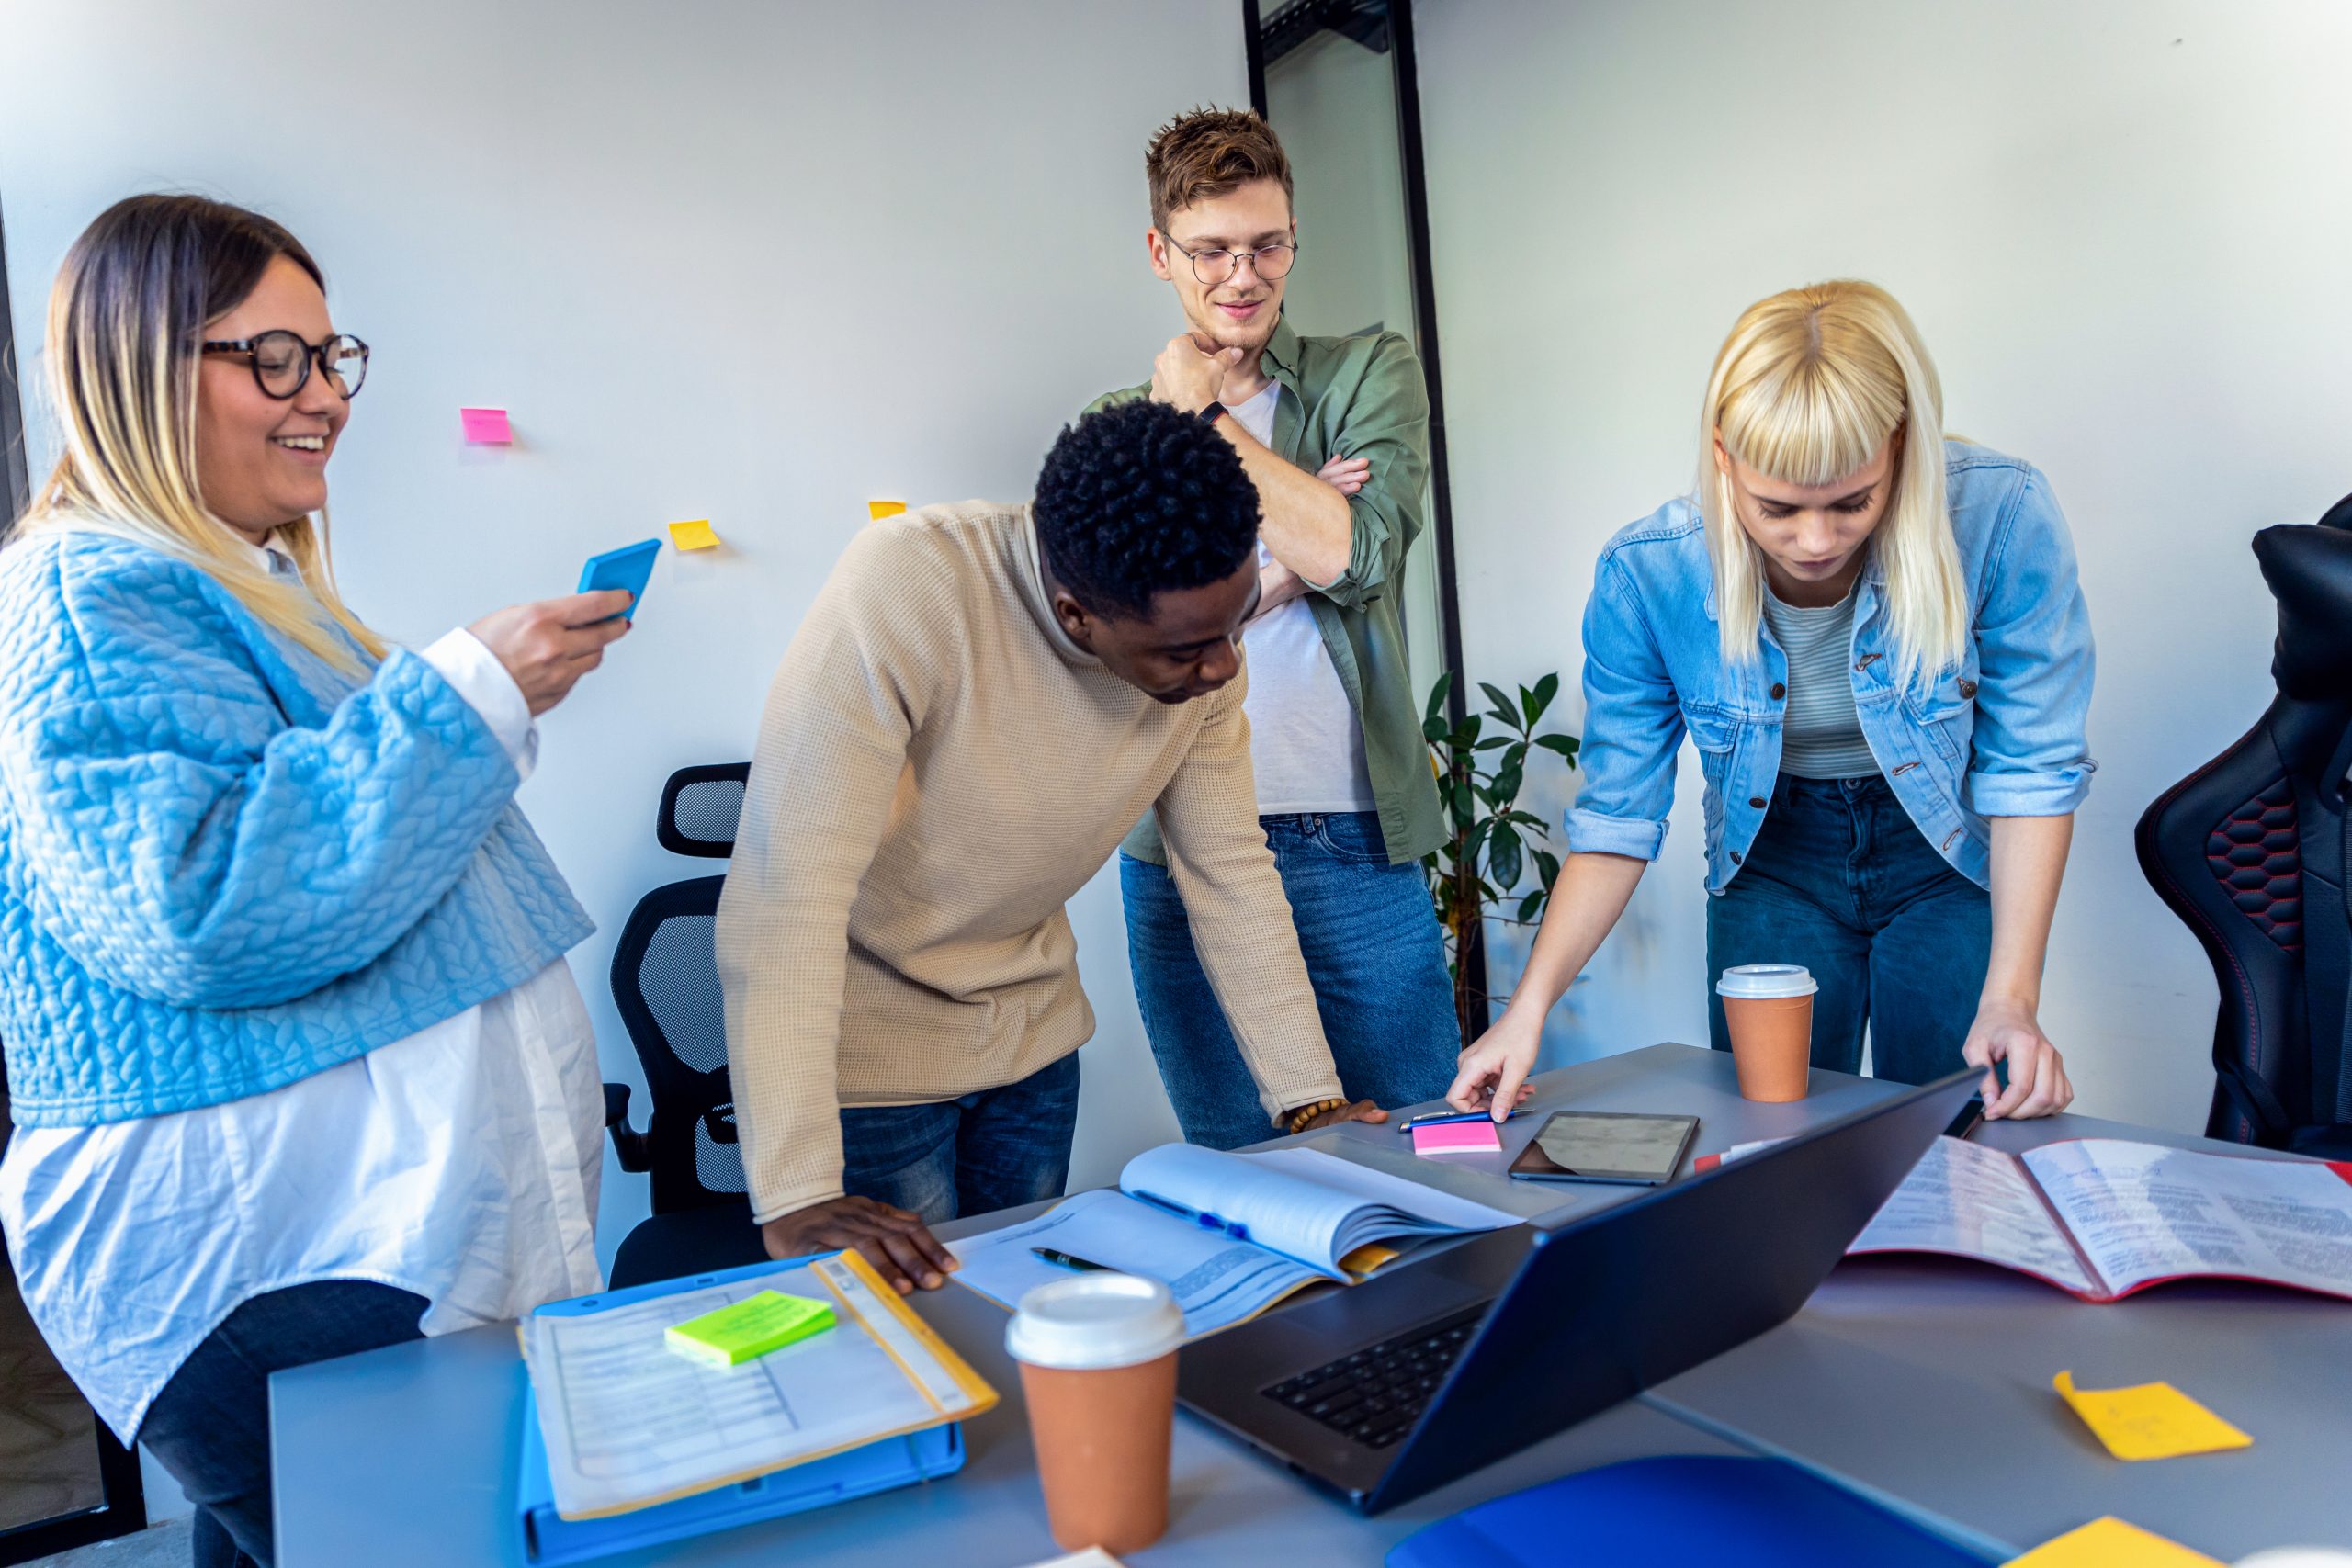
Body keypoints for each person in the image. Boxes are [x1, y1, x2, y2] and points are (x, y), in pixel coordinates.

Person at [0, 195, 633, 1568]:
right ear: (138, 368)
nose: (327, 398)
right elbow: (200, 905)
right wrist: (470, 691)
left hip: (356, 1243)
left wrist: (473, 701)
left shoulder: (235, 584)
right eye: (274, 358)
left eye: (332, 356)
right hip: (279, 1252)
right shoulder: (92, 595)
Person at [715, 399, 1386, 1296]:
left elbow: (1229, 872)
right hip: (872, 1056)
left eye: (1234, 628)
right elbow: (785, 890)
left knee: (1022, 1315)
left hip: (1032, 1046)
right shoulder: (910, 586)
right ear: (1076, 616)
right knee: (921, 1331)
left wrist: (1310, 1103)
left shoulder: (1200, 652)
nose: (1226, 667)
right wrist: (794, 1190)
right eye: (1189, 649)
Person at [1450, 280, 2094, 1123]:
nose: (1816, 540)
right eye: (1778, 508)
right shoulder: (1649, 573)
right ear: (1724, 457)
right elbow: (1617, 818)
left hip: (1945, 858)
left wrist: (2012, 999)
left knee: (1956, 1136)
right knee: (1770, 1138)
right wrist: (1526, 1010)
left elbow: (2031, 768)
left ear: (1900, 447)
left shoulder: (2000, 517)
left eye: (1853, 501)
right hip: (1775, 861)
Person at [1087, 107, 1458, 1151]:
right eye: (1211, 251)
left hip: (1350, 834)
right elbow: (1126, 642)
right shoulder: (1118, 425)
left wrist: (1209, 426)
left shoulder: (1364, 372)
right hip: (1180, 845)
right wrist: (1291, 552)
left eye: (1267, 246)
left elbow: (1362, 557)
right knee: (1238, 1165)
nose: (1242, 277)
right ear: (1161, 252)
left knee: (1425, 1146)